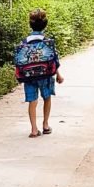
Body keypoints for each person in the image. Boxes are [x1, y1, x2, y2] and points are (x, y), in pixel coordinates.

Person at [15, 9, 64, 138]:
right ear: (45, 24)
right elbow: (54, 60)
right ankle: (46, 125)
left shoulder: (24, 43)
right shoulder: (47, 42)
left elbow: (19, 60)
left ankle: (34, 129)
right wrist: (58, 75)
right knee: (47, 98)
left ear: (30, 25)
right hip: (46, 75)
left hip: (29, 76)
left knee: (32, 100)